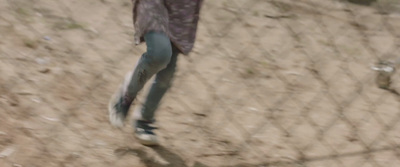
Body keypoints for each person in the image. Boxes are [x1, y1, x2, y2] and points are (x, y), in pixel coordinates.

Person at [108, 0, 204, 146]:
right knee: (160, 54)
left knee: (167, 74)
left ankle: (144, 118)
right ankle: (127, 95)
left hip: (183, 12)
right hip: (154, 4)